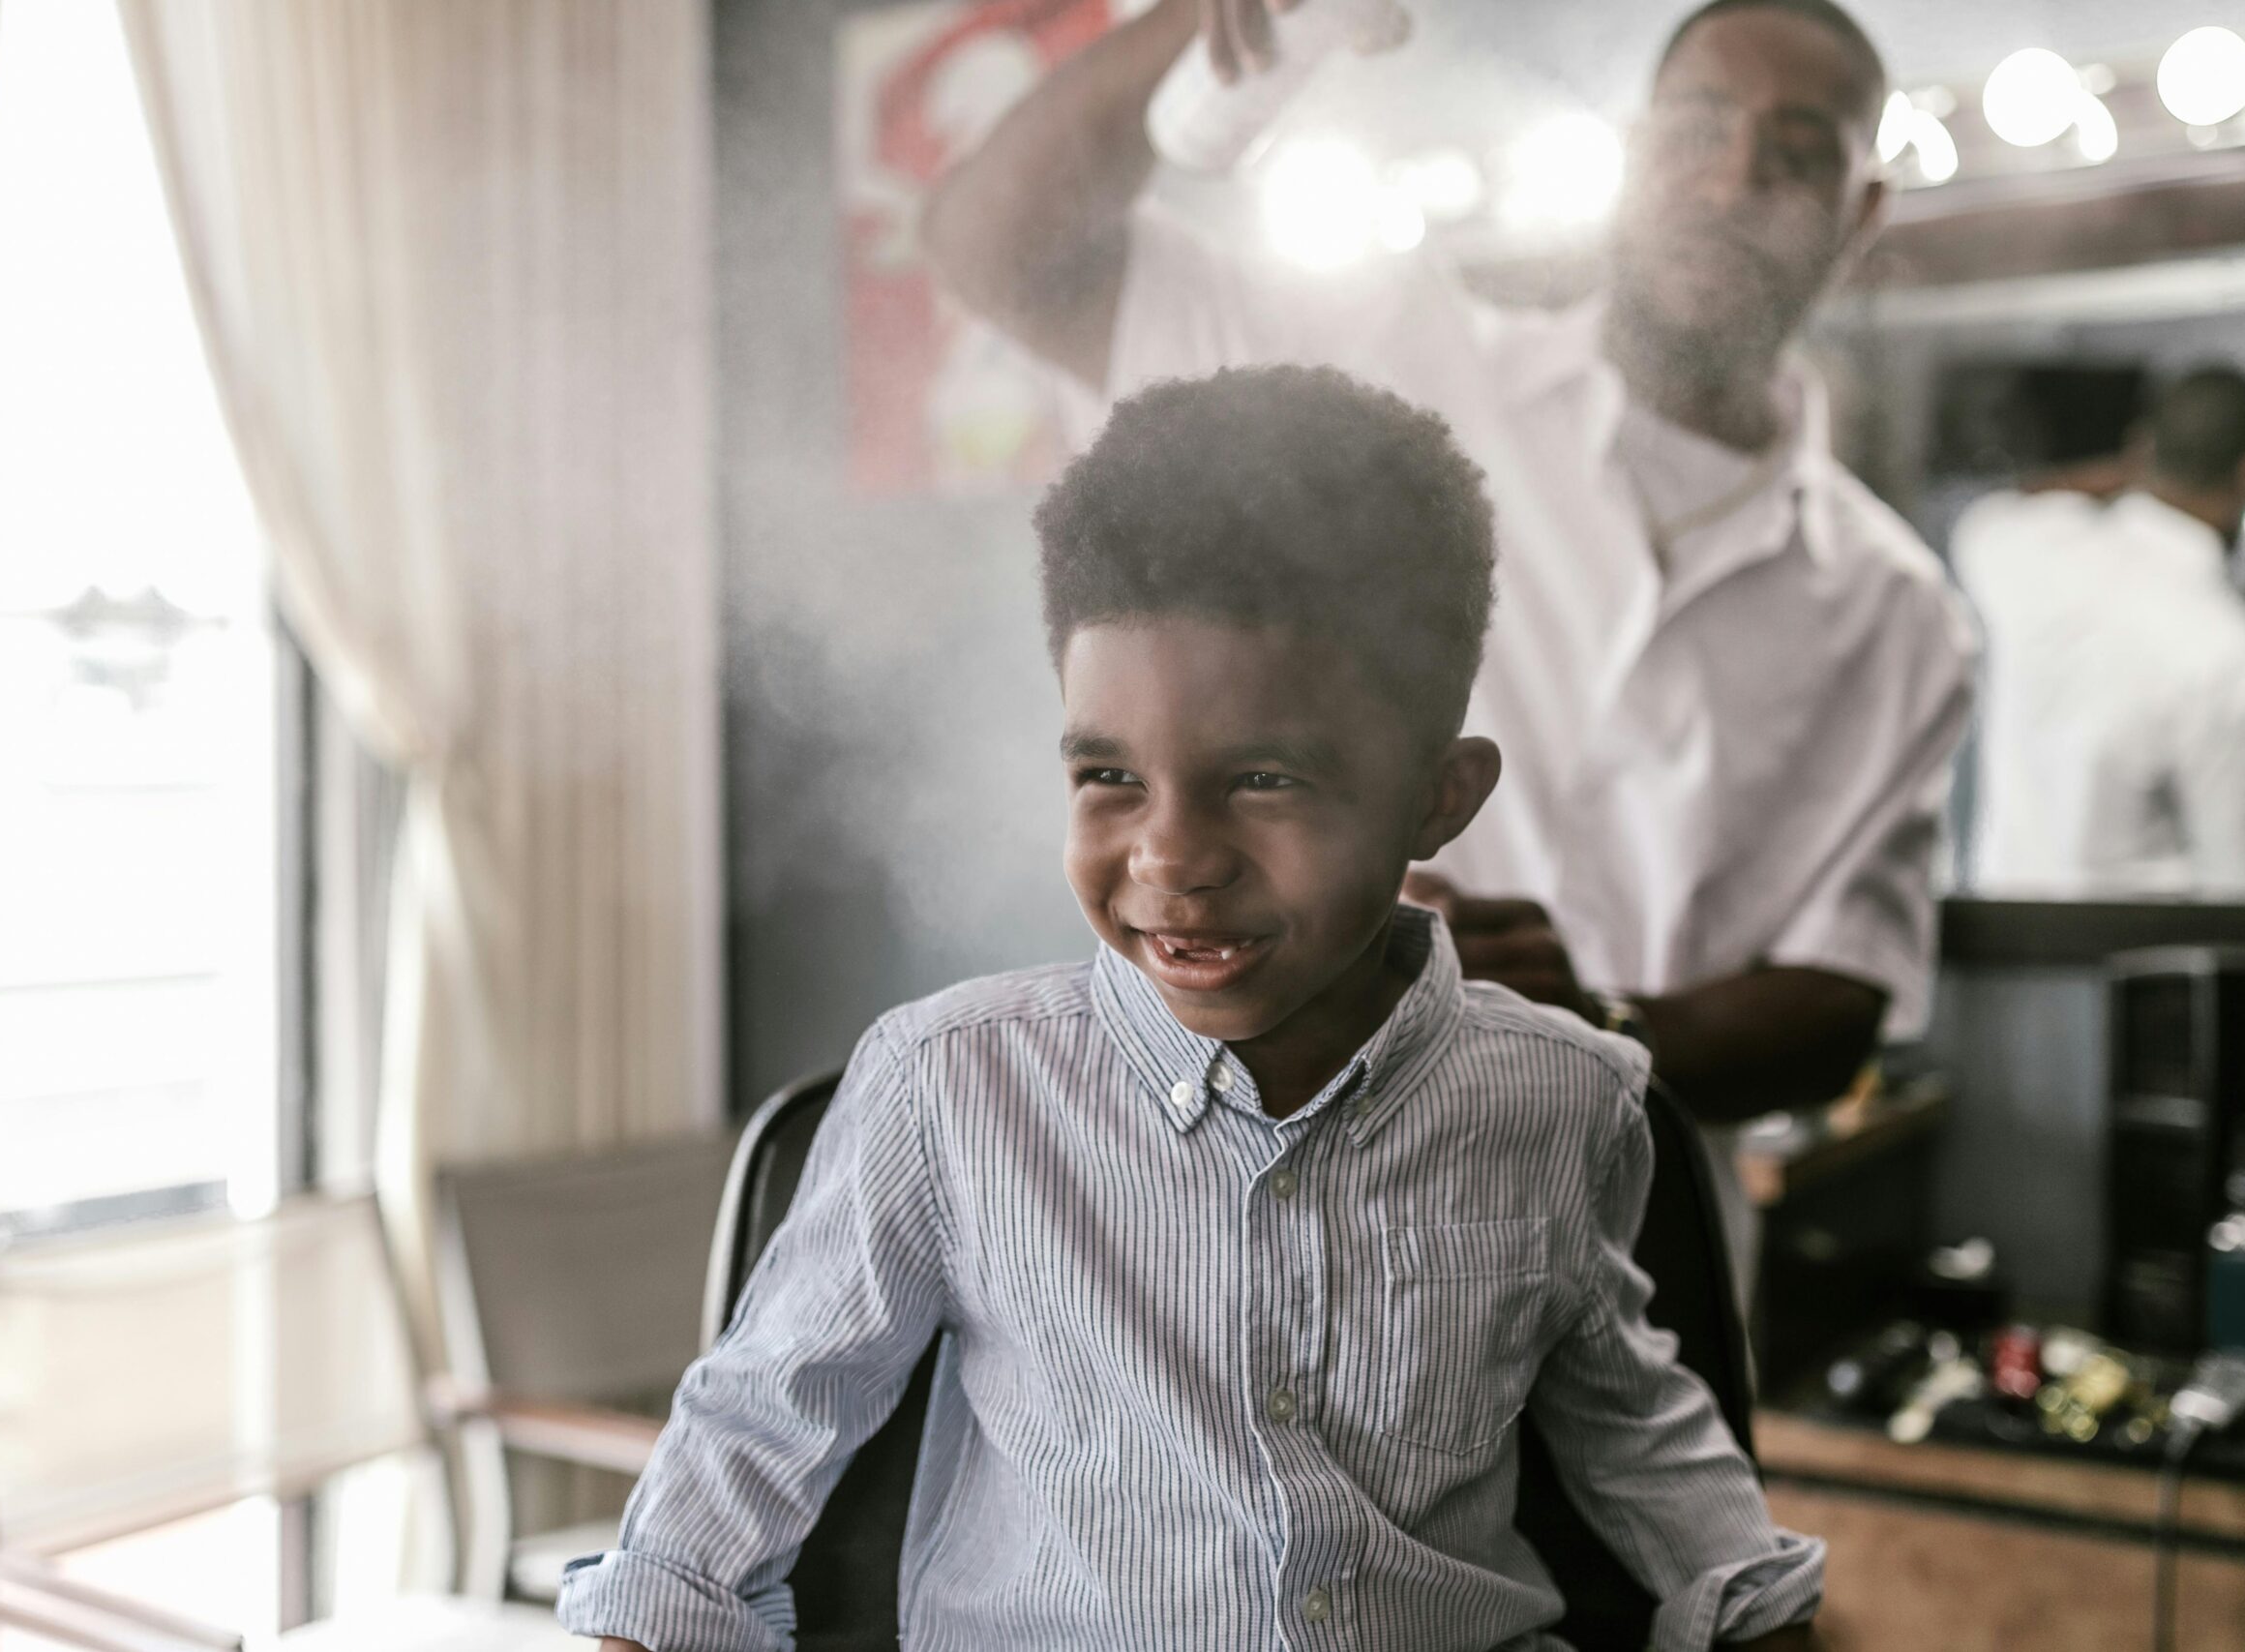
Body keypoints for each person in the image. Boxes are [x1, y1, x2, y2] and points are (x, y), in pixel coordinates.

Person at [557, 367, 1821, 1651]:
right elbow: (752, 1433)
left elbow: (1638, 1426)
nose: (1172, 857)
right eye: (1110, 774)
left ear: (1441, 796)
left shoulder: (1567, 1098)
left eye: (1263, 778)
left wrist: (1756, 1604)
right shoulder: (947, 1087)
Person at [920, 0, 1978, 1286]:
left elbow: (1836, 999)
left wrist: (1595, 1026)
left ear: (1859, 213)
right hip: (1274, 1237)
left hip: (1628, 1270)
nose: (1735, 179)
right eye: (1698, 128)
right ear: (1635, 152)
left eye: (1799, 152)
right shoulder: (1382, 366)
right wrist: (1215, 19)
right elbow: (997, 250)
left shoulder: (1895, 609)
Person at [1955, 366, 2245, 899]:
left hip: (2002, 945)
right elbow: (2242, 886)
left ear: (2140, 448)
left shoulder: (2025, 549)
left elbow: (1997, 508)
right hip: (2132, 960)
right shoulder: (2231, 651)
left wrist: (2139, 473)